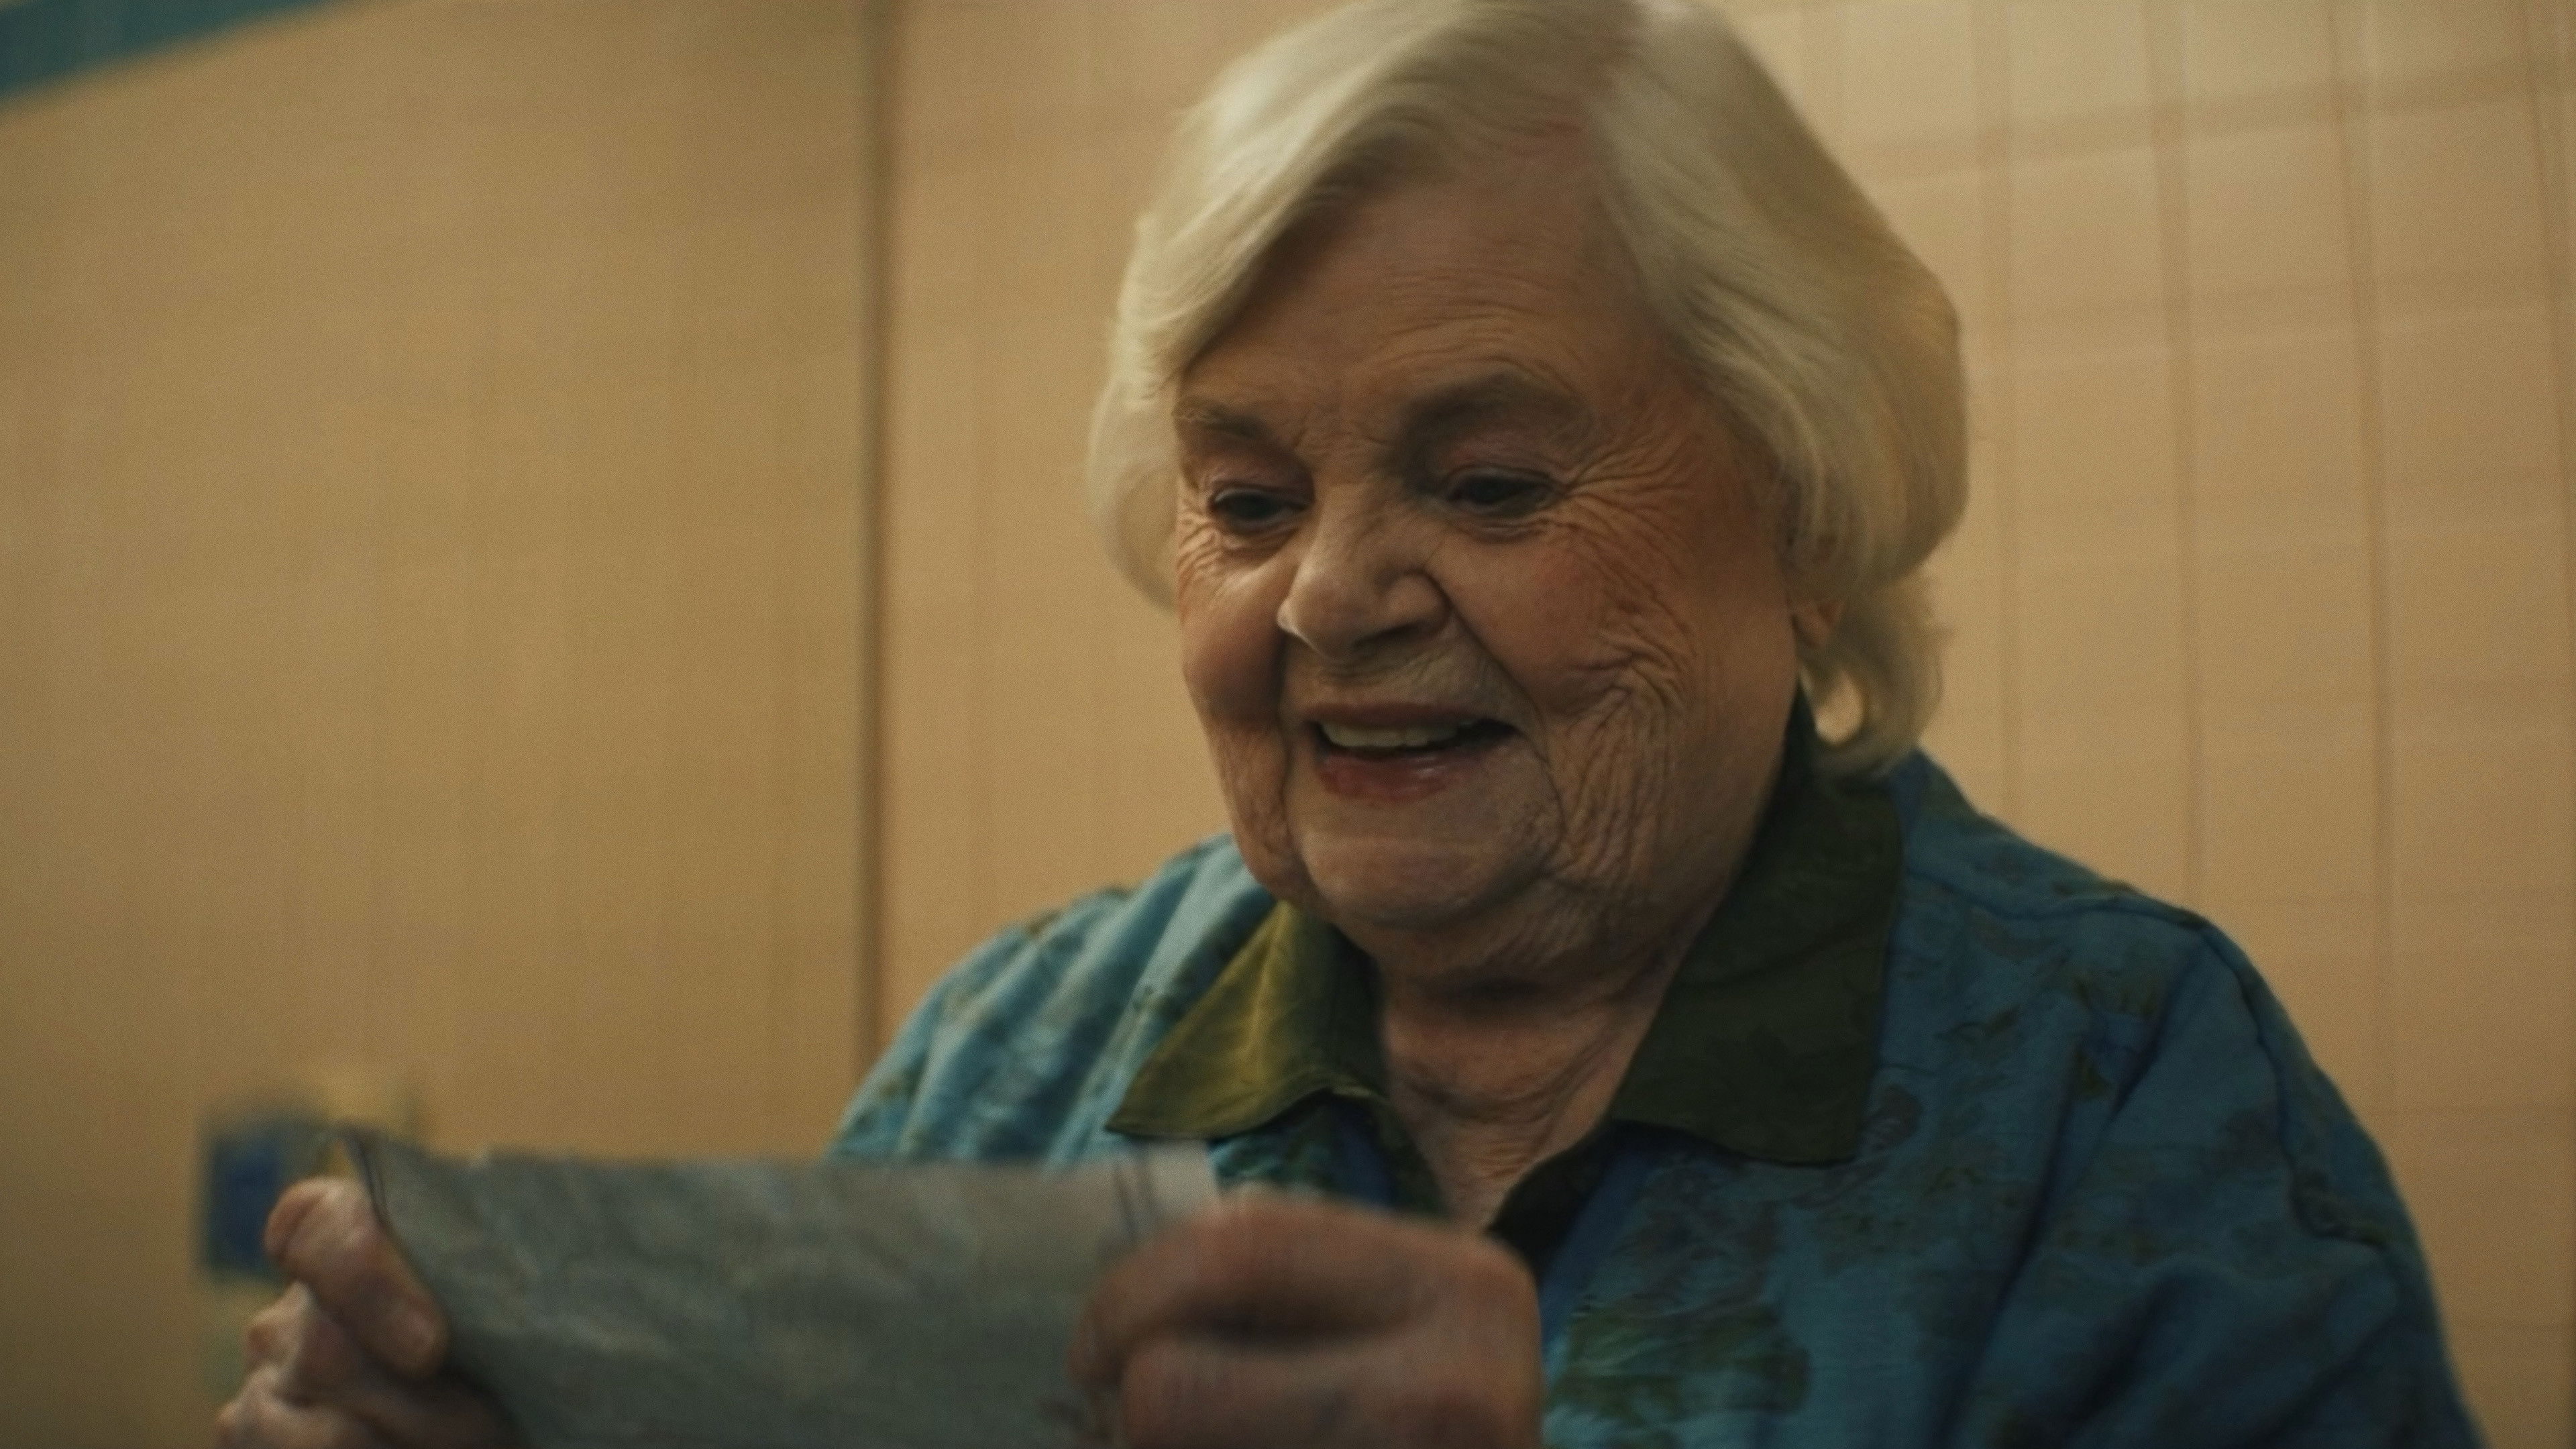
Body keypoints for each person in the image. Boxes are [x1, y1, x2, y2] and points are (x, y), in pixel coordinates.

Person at [219, 1, 2481, 1445]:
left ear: (1807, 516)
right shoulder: (1015, 1052)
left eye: (1487, 484)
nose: (1325, 597)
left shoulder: (2130, 1107)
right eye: (1246, 499)